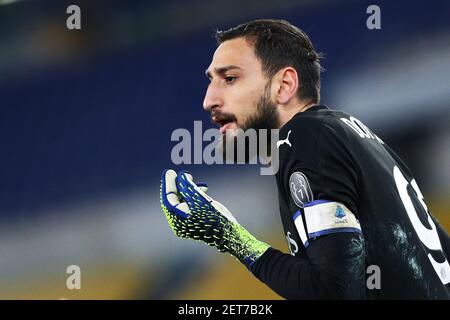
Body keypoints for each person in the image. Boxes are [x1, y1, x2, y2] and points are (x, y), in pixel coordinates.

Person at [160, 19, 450, 299]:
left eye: (230, 78)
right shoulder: (353, 133)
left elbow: (333, 291)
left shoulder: (305, 136)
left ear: (284, 85)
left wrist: (229, 236)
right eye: (212, 81)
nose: (208, 100)